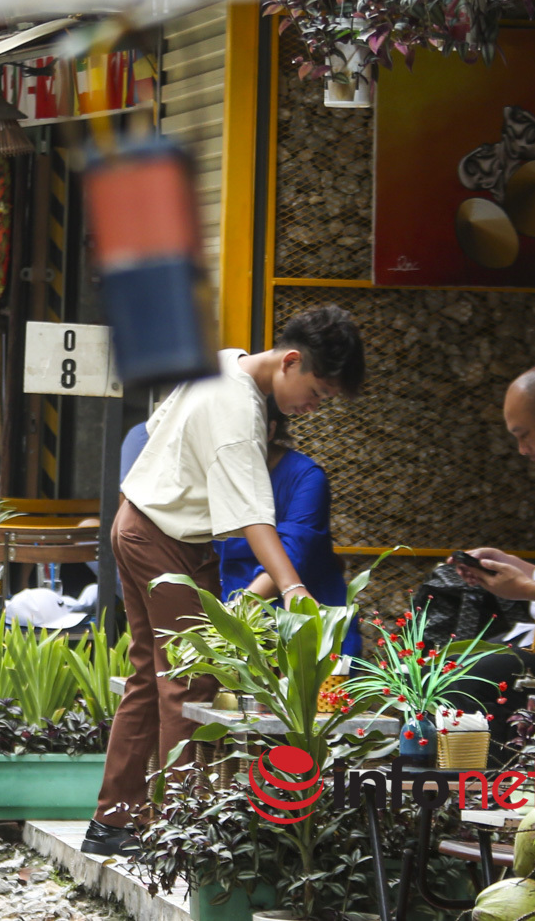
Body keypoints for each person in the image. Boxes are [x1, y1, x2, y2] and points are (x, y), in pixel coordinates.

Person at [82, 304, 365, 857]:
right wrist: (293, 590)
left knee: (151, 676)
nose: (312, 407)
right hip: (164, 539)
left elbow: (151, 435)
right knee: (190, 683)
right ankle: (183, 832)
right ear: (290, 361)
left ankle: (114, 822)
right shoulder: (240, 410)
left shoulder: (223, 362)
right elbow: (257, 520)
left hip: (139, 523)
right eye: (318, 392)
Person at [447, 365, 535, 725]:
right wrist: (507, 562)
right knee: (448, 672)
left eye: (524, 435)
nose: (522, 450)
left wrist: (524, 588)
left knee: (462, 686)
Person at [214, 416, 363, 659]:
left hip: (303, 618)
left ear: (270, 429)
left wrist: (232, 622)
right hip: (238, 615)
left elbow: (291, 554)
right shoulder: (219, 475)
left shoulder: (306, 477)